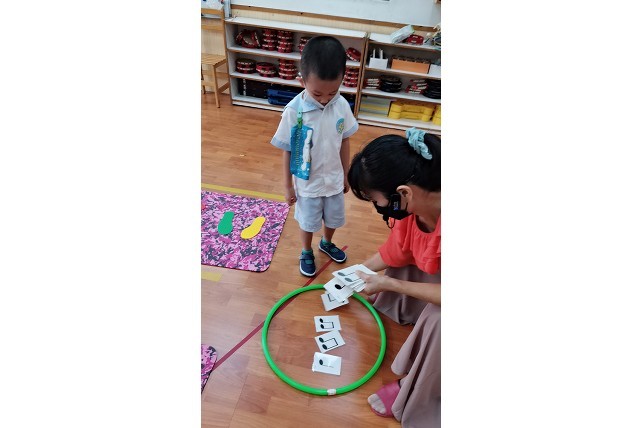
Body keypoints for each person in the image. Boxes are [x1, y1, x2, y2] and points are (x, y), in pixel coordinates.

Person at [348, 128, 441, 428]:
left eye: (377, 201)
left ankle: (418, 389)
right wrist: (356, 272)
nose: (379, 208)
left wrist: (390, 284)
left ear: (403, 193)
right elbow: (397, 251)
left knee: (440, 320)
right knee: (407, 261)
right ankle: (411, 310)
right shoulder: (414, 210)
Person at [271, 36, 358, 277]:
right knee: (308, 221)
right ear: (302, 81)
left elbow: (345, 140)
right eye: (317, 93)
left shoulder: (341, 105)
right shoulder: (293, 111)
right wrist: (287, 186)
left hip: (334, 178)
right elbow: (287, 149)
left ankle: (326, 243)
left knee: (334, 218)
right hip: (307, 183)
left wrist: (346, 174)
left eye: (333, 92)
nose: (325, 99)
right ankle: (306, 250)